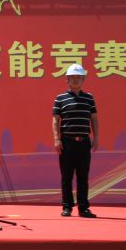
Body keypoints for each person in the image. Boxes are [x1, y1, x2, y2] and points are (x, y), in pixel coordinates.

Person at [52, 64, 99, 218]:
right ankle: (67, 206)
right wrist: (57, 139)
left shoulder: (89, 98)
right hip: (67, 142)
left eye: (79, 77)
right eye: (72, 77)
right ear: (67, 79)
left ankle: (83, 208)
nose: (76, 80)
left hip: (84, 142)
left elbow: (94, 119)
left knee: (83, 177)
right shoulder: (60, 98)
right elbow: (55, 120)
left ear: (83, 79)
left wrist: (96, 137)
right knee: (67, 177)